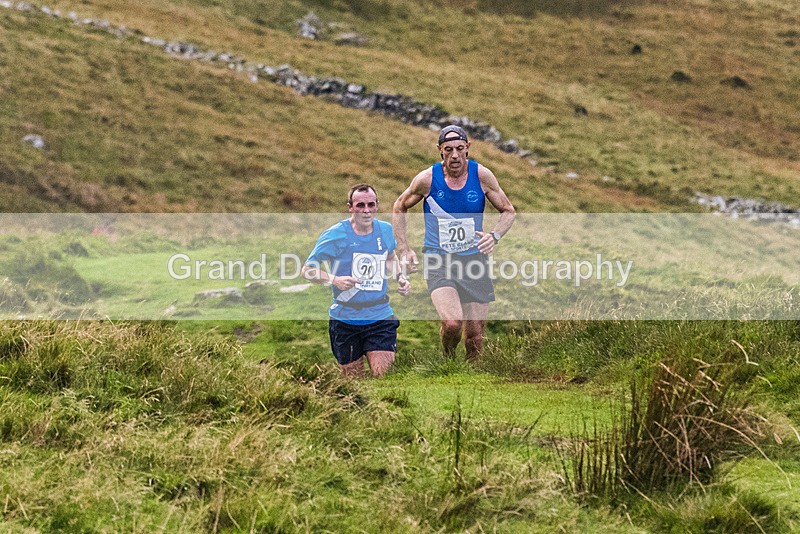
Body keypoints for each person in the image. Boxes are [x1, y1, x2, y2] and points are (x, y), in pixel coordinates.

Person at [392, 125, 515, 360]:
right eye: (448, 150)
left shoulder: (482, 176)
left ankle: (471, 373)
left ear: (468, 148)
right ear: (440, 150)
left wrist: (494, 236)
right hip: (439, 260)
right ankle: (448, 361)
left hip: (474, 260)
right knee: (452, 324)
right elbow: (399, 206)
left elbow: (508, 210)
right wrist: (404, 248)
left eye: (459, 148)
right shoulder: (427, 179)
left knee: (475, 337)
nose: (455, 155)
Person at [302, 184, 411, 378]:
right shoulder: (336, 234)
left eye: (371, 205)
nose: (366, 211)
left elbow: (390, 257)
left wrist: (400, 277)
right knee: (354, 382)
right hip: (345, 318)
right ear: (350, 207)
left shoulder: (385, 230)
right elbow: (307, 270)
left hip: (379, 315)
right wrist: (335, 280)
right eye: (360, 205)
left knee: (383, 377)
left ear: (377, 205)